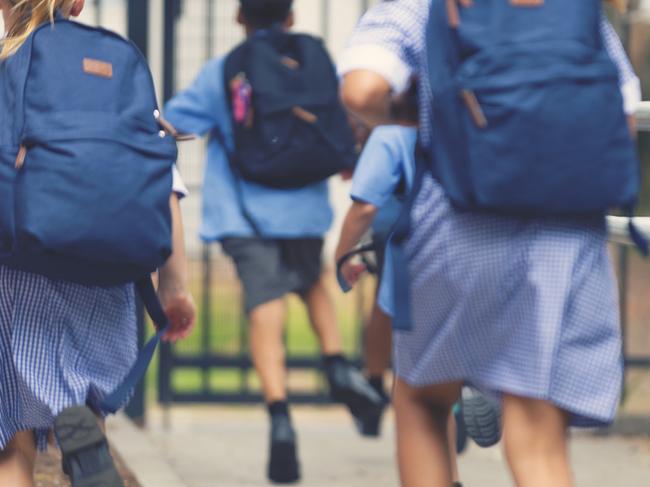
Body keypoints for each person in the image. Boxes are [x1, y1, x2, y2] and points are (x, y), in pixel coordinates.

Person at [338, 1, 641, 486]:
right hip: (566, 235)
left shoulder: (419, 6)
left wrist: (408, 112)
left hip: (461, 225)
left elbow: (362, 89)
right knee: (538, 441)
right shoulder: (572, 8)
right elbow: (623, 118)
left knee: (421, 398)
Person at [163, 0, 382, 483]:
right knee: (314, 282)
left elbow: (173, 123)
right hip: (304, 209)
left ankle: (280, 417)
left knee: (265, 305)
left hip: (246, 216)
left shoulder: (225, 72)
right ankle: (336, 364)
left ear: (241, 18)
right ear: (292, 17)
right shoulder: (313, 62)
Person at [0, 1, 197, 486]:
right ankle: (85, 440)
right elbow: (162, 180)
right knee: (87, 417)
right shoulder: (117, 63)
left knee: (12, 447)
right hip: (108, 272)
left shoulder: (6, 65)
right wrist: (174, 287)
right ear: (79, 3)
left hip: (18, 268)